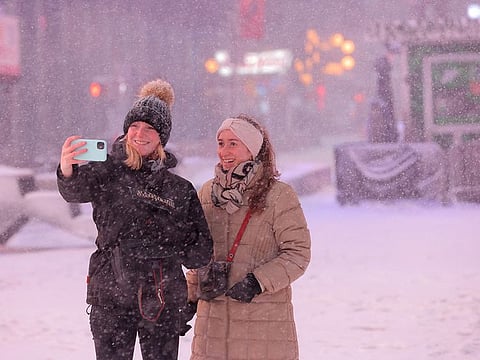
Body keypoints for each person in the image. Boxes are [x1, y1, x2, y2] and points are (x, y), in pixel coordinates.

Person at [57, 79, 213, 360]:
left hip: (162, 298)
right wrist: (67, 169)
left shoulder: (179, 189)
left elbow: (200, 251)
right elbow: (75, 191)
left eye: (149, 128)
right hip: (110, 295)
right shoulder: (108, 170)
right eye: (134, 127)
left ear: (162, 137)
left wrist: (165, 244)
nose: (140, 134)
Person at [187, 114, 311, 360]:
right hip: (212, 327)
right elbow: (200, 254)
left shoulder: (278, 195)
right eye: (221, 143)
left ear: (252, 149)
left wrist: (257, 282)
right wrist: (188, 299)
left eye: (234, 143)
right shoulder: (207, 193)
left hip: (263, 325)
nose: (224, 150)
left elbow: (298, 254)